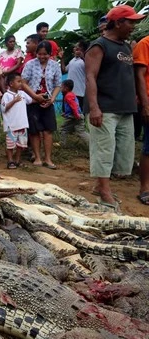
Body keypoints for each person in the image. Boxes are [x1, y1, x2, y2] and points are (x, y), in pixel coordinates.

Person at [85, 4, 144, 209]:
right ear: (118, 22)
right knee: (104, 149)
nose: (134, 26)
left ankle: (99, 186)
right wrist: (94, 107)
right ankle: (104, 191)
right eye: (131, 22)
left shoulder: (126, 46)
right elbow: (90, 77)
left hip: (125, 108)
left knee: (122, 152)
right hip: (105, 107)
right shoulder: (99, 46)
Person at [21, 41, 62, 169]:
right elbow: (23, 83)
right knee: (34, 131)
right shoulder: (30, 64)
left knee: (48, 130)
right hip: (33, 101)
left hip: (48, 101)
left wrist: (52, 99)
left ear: (50, 54)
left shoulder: (55, 65)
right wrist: (35, 96)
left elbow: (58, 84)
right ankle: (37, 157)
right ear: (36, 53)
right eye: (39, 54)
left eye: (45, 54)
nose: (42, 56)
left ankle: (48, 159)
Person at [1, 73, 32, 169]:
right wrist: (14, 100)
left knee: (21, 145)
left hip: (22, 124)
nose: (21, 84)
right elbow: (4, 108)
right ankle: (10, 160)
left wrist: (41, 99)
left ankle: (18, 160)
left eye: (21, 81)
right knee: (10, 145)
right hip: (12, 125)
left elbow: (30, 100)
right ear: (11, 83)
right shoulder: (6, 95)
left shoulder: (22, 93)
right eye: (18, 81)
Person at [133, 32, 149, 206]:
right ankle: (144, 188)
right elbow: (140, 75)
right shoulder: (145, 44)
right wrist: (145, 104)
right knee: (148, 146)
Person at [59, 79, 89, 146]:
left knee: (63, 129)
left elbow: (74, 106)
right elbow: (73, 106)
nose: (60, 88)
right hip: (78, 115)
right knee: (81, 131)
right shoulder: (71, 94)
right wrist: (66, 113)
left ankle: (62, 144)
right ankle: (91, 143)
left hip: (74, 116)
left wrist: (76, 115)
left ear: (66, 88)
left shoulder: (68, 96)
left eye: (62, 87)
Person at [61, 41, 88, 109]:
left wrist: (83, 56)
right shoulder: (72, 60)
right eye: (75, 47)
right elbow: (64, 70)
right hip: (69, 92)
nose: (75, 48)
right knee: (67, 114)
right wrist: (62, 58)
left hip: (80, 93)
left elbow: (89, 68)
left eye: (77, 47)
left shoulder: (85, 60)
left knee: (79, 114)